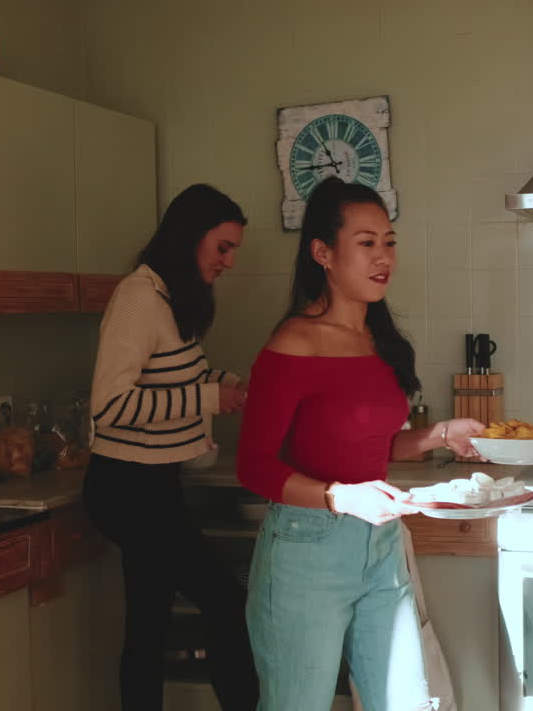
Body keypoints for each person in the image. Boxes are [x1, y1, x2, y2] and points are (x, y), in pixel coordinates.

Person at [236, 177, 484, 711]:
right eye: (366, 242)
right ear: (323, 253)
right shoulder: (292, 344)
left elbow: (370, 445)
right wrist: (341, 497)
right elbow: (253, 466)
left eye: (389, 241)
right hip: (306, 551)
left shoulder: (380, 340)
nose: (383, 257)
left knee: (407, 703)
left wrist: (440, 435)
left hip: (380, 546)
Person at [83, 183, 257, 710]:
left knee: (148, 627)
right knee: (226, 602)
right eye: (222, 247)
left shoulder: (169, 296)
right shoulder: (138, 298)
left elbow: (188, 374)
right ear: (190, 237)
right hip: (125, 488)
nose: (228, 261)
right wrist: (209, 397)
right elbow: (109, 405)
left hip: (154, 485)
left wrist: (244, 390)